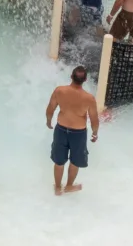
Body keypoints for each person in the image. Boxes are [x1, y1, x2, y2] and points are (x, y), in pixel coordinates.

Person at [46, 65, 99, 195]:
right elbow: (94, 119)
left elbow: (50, 108)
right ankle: (69, 186)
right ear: (85, 80)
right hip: (78, 133)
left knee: (59, 161)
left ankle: (58, 188)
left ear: (71, 77)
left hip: (61, 130)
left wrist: (48, 121)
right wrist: (95, 133)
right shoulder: (89, 98)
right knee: (75, 162)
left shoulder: (59, 91)